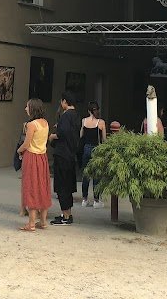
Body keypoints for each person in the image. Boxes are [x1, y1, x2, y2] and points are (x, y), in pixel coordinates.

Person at [16, 99, 51, 232]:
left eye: (27, 106)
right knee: (42, 186)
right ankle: (42, 221)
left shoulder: (31, 124)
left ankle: (31, 223)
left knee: (31, 187)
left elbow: (26, 143)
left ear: (32, 108)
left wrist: (19, 150)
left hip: (31, 157)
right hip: (42, 157)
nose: (25, 109)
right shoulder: (45, 123)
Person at [48, 91, 81, 226]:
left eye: (62, 101)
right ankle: (67, 213)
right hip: (70, 154)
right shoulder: (76, 115)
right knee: (67, 185)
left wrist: (52, 136)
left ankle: (66, 216)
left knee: (62, 185)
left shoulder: (66, 116)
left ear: (65, 101)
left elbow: (63, 133)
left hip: (62, 154)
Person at [80, 101, 107, 208]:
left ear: (88, 111)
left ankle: (84, 199)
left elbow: (81, 135)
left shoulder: (84, 121)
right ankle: (96, 200)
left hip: (86, 148)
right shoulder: (101, 122)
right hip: (96, 149)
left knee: (86, 174)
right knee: (96, 175)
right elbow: (104, 139)